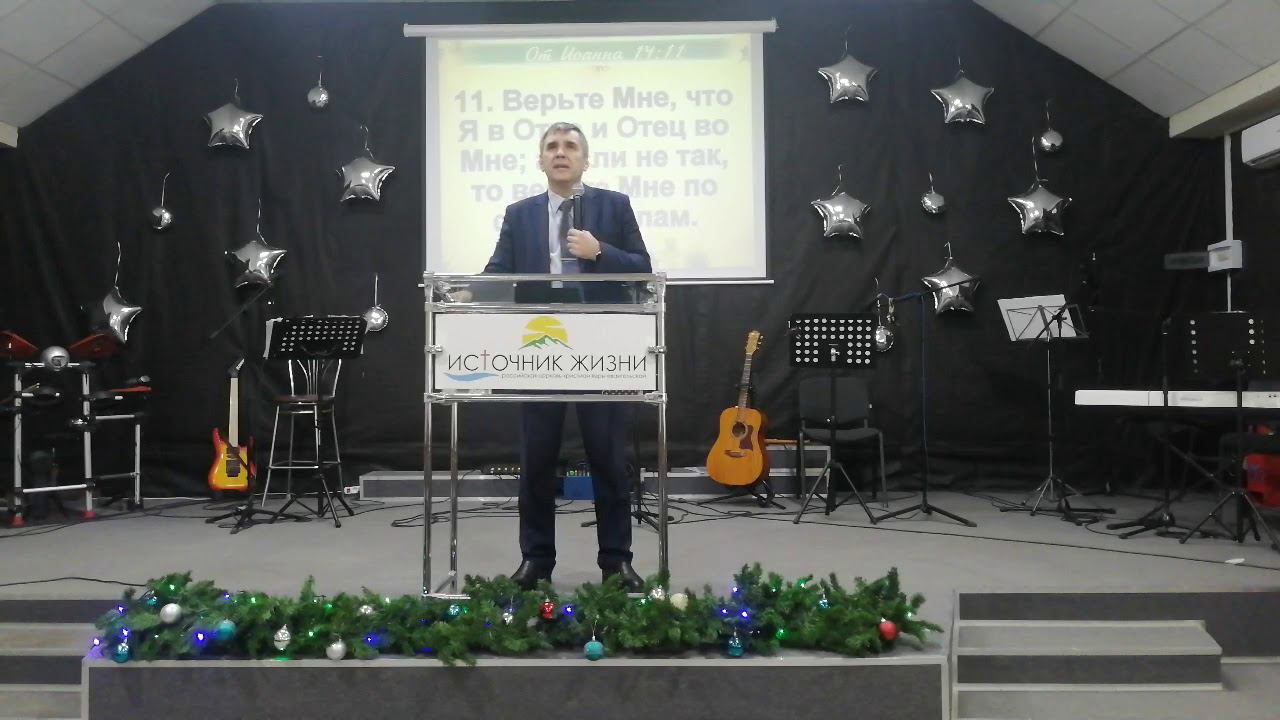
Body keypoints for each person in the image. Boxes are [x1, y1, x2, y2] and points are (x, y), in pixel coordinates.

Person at [483, 122, 652, 591]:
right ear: (541, 160)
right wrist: (466, 291)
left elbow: (643, 269)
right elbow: (497, 273)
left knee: (608, 459)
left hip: (602, 345)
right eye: (552, 147)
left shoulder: (614, 206)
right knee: (537, 460)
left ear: (585, 159)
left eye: (570, 146)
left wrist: (600, 252)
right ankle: (536, 561)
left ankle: (616, 562)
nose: (561, 153)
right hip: (540, 345)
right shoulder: (519, 215)